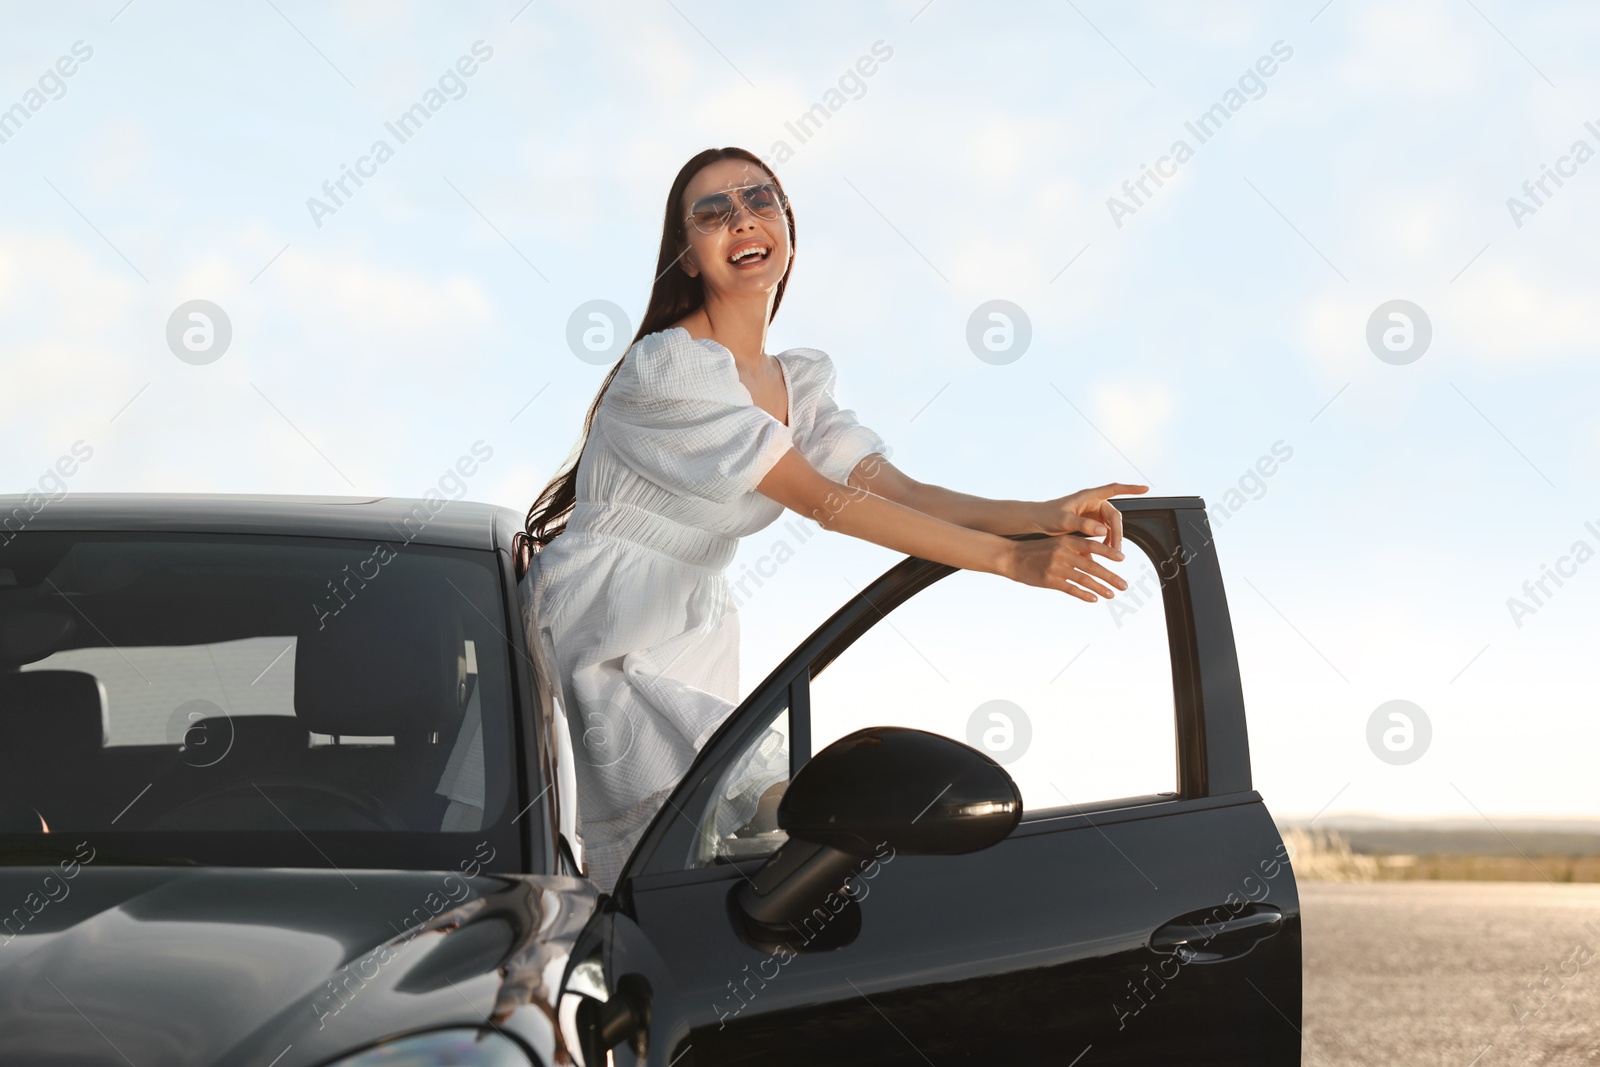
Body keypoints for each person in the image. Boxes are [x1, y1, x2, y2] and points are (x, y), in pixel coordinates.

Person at [521, 146, 1147, 891]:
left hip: (688, 616)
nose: (742, 220)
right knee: (686, 836)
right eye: (713, 213)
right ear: (686, 256)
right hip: (609, 619)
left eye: (760, 200)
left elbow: (895, 488)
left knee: (686, 857)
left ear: (787, 226)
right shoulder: (672, 366)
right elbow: (824, 501)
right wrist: (1008, 561)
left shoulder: (795, 381)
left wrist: (1036, 517)